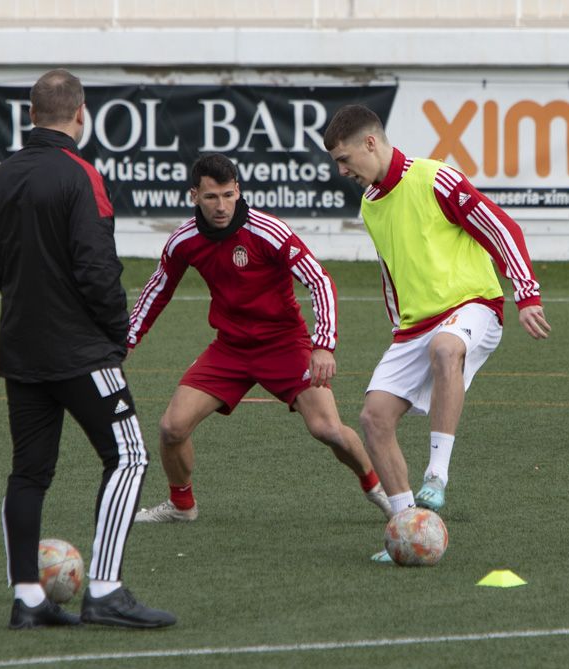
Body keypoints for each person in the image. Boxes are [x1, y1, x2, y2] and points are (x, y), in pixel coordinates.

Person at [0, 69, 176, 630]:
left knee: (29, 472)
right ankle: (106, 590)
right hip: (81, 351)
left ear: (31, 114)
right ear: (80, 113)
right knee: (130, 457)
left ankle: (29, 599)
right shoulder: (81, 174)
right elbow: (96, 267)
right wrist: (116, 332)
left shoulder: (0, 175)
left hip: (20, 348)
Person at [323, 104, 551, 561]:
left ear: (371, 142)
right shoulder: (370, 204)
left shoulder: (436, 178)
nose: (342, 170)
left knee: (447, 350)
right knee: (373, 418)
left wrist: (526, 294)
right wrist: (398, 328)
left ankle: (437, 476)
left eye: (345, 159)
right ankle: (410, 525)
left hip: (472, 306)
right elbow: (392, 271)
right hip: (414, 325)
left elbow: (501, 228)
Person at [127, 153, 392, 524]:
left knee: (327, 429)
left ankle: (380, 489)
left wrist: (323, 345)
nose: (221, 206)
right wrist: (125, 340)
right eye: (211, 197)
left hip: (284, 344)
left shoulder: (268, 231)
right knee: (172, 428)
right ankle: (181, 506)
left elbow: (319, 280)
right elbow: (158, 290)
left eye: (228, 194)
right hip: (230, 349)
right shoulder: (183, 241)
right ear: (193, 197)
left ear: (238, 190)